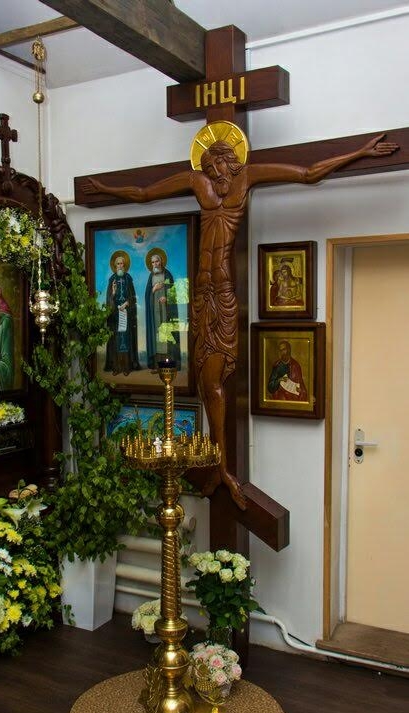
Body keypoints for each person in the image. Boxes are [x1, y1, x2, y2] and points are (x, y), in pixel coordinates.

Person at [83, 131, 398, 509]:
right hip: (201, 296)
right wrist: (104, 188)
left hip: (223, 295)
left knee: (215, 382)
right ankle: (219, 466)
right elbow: (145, 192)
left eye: (219, 165)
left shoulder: (246, 178)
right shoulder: (196, 182)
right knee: (205, 384)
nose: (215, 172)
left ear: (230, 162)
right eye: (209, 166)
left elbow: (307, 173)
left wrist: (360, 152)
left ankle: (223, 468)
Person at [104, 251, 141, 376]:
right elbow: (109, 298)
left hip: (126, 313)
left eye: (122, 264)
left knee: (126, 339)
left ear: (125, 266)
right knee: (116, 340)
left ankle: (126, 367)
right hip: (115, 315)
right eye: (118, 264)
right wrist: (113, 292)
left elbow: (133, 297)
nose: (120, 266)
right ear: (115, 266)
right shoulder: (112, 279)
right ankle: (116, 366)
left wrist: (127, 303)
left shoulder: (128, 278)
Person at [144, 248, 181, 370]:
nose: (155, 264)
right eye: (153, 262)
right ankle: (157, 365)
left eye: (157, 261)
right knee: (157, 336)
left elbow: (173, 292)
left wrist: (167, 297)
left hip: (166, 311)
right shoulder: (151, 277)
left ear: (161, 262)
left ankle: (168, 365)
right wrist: (153, 290)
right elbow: (147, 294)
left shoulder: (167, 274)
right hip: (155, 312)